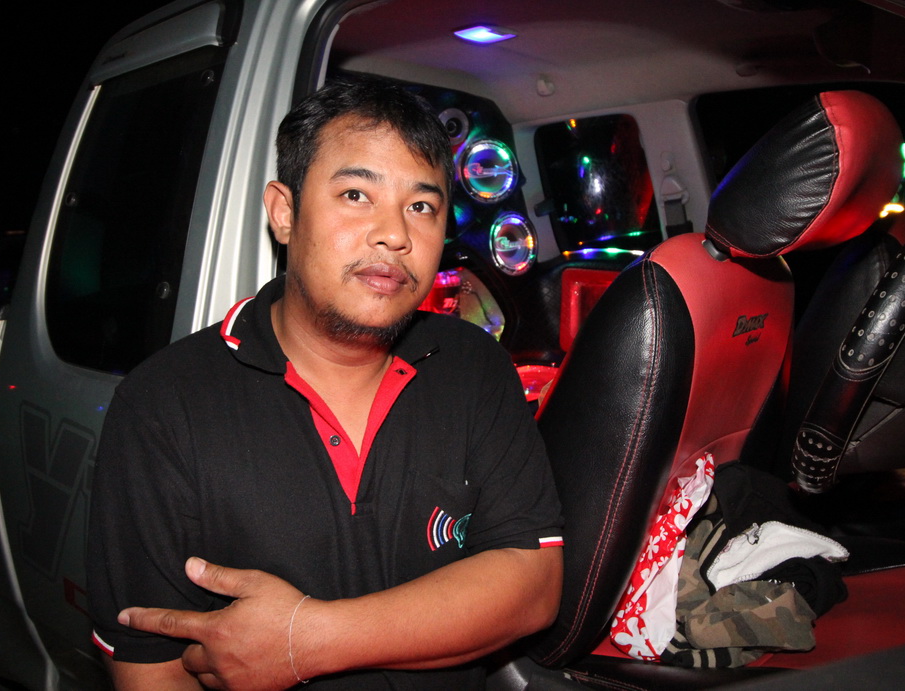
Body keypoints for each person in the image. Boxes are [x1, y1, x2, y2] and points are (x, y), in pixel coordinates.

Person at [87, 77, 564, 690]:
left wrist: (306, 640)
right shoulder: (163, 405)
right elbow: (149, 669)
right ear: (284, 213)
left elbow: (532, 584)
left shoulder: (474, 366)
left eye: (422, 206)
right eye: (356, 194)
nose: (395, 234)